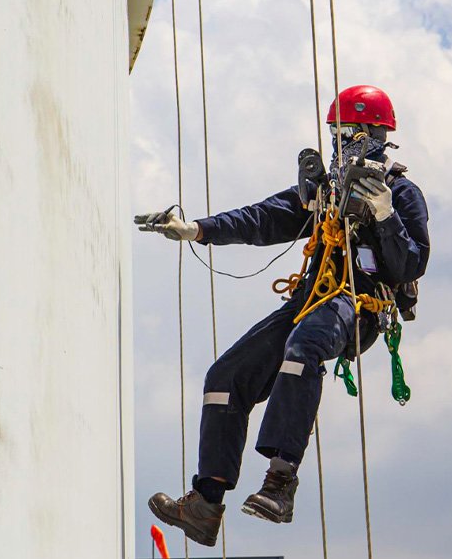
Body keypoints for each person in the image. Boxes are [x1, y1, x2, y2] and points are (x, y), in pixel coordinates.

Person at [134, 85, 429, 547]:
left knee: (304, 348)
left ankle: (280, 482)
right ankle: (205, 504)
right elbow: (262, 218)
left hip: (360, 305)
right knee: (225, 377)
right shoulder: (324, 194)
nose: (341, 143)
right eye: (336, 134)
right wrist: (196, 230)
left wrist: (385, 216)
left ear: (376, 133)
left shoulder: (401, 193)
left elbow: (411, 265)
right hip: (310, 303)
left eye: (350, 133)